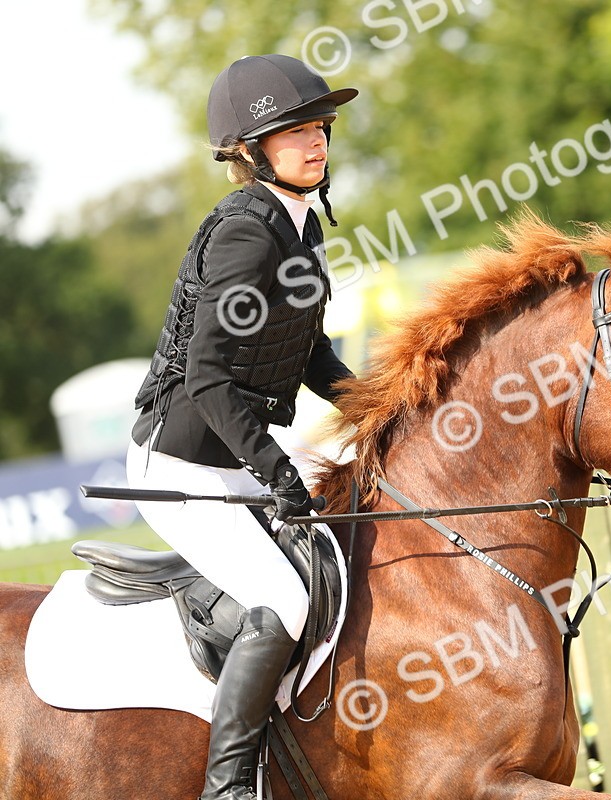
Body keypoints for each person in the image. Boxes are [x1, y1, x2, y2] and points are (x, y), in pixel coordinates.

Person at [126, 54, 357, 800]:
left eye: (319, 125)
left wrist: (382, 405)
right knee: (285, 598)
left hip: (233, 450)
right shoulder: (246, 234)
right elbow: (207, 378)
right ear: (251, 151)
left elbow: (309, 350)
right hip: (182, 462)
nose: (316, 140)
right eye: (295, 132)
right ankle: (227, 788)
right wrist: (279, 473)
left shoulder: (304, 227)